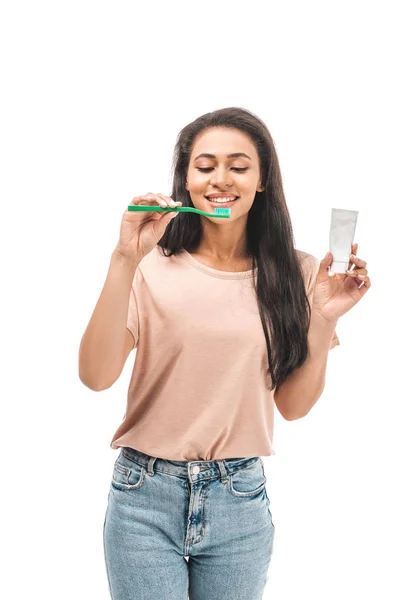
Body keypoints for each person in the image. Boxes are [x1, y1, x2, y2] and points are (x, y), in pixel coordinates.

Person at [78, 107, 369, 599]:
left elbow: (293, 407)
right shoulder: (150, 263)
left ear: (261, 180)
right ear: (186, 179)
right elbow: (96, 375)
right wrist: (124, 257)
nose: (220, 179)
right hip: (144, 496)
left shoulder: (297, 272)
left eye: (238, 165)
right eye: (205, 165)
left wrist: (323, 319)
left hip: (240, 499)